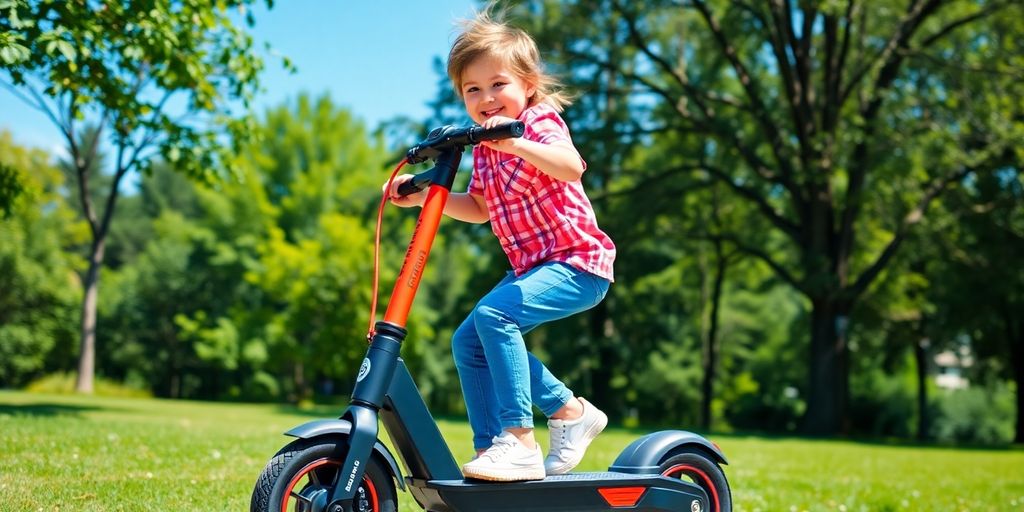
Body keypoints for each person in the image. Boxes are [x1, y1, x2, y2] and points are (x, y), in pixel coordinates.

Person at [385, 9, 615, 482]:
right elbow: (481, 208)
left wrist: (515, 144)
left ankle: (520, 441)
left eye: (498, 85)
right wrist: (431, 195)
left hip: (579, 263)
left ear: (527, 85)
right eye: (473, 90)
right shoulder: (485, 148)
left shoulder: (537, 122)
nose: (487, 98)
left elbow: (571, 166)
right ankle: (523, 435)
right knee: (468, 341)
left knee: (494, 316)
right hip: (533, 269)